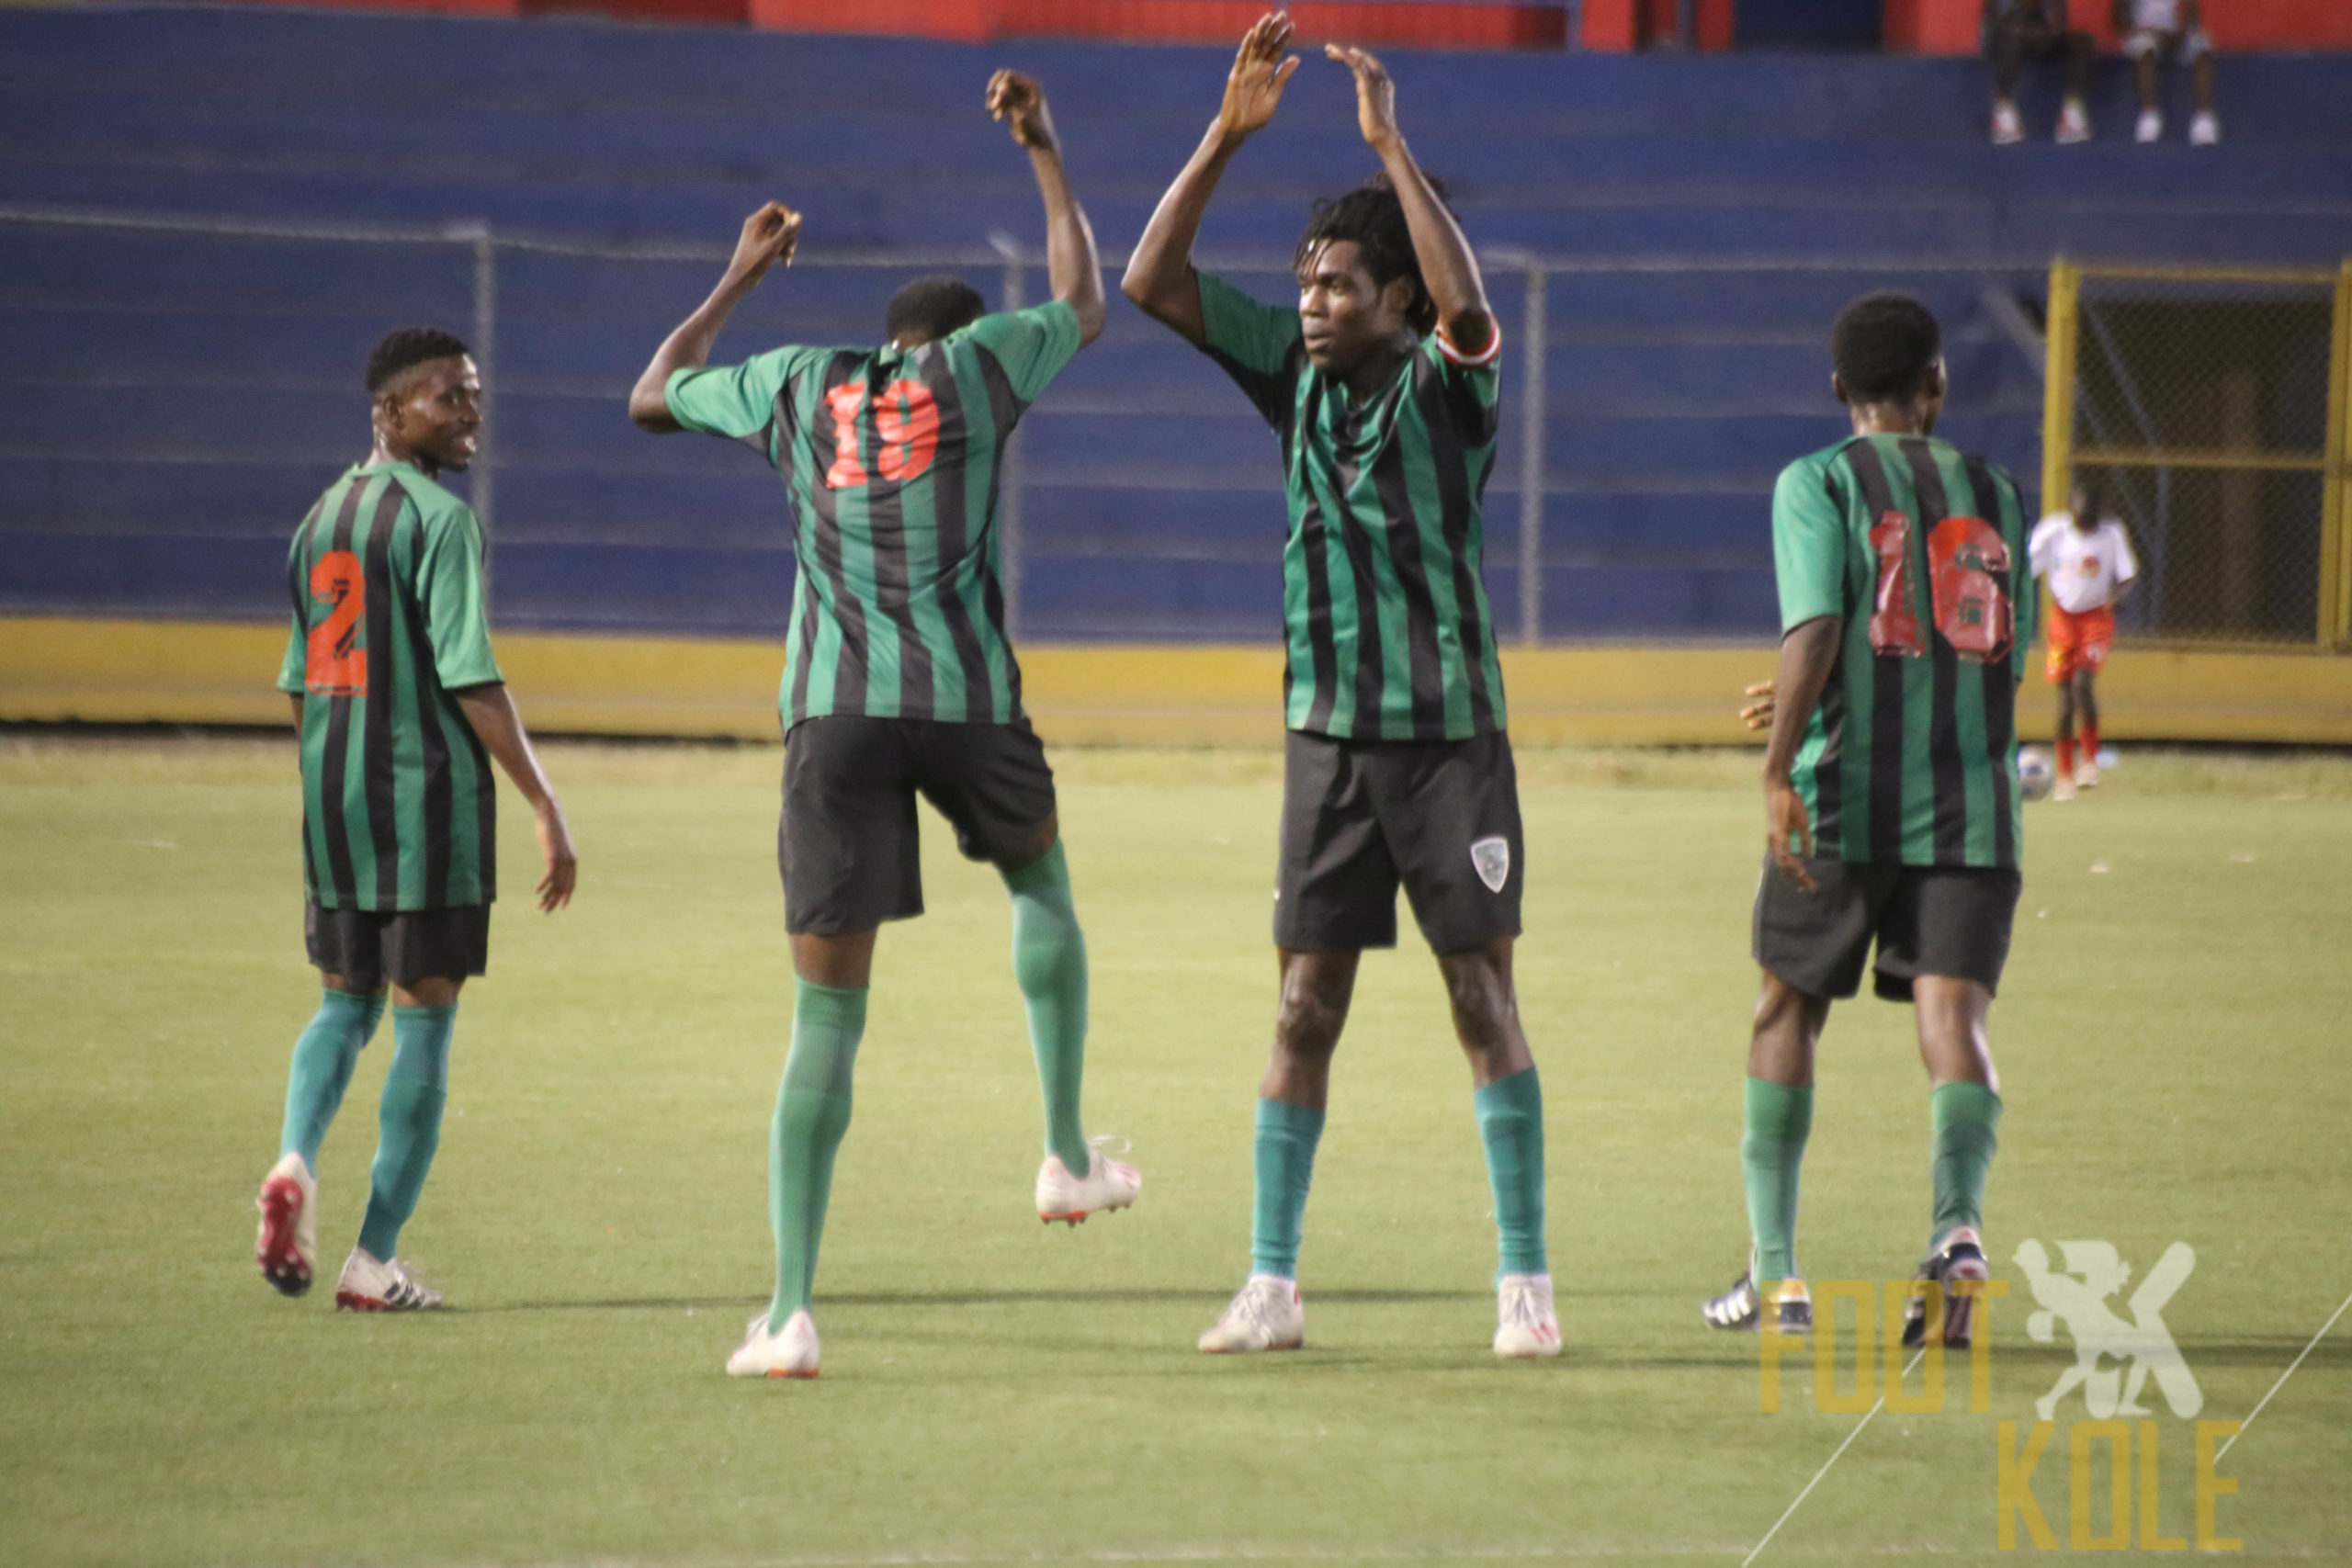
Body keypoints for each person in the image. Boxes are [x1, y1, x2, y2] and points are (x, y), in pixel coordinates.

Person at [629, 71, 1131, 1381]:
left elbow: (651, 393)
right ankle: (1068, 1152)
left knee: (828, 1022)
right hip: (967, 702)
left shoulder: (799, 381)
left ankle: (791, 1309)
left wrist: (738, 276)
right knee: (1043, 888)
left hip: (834, 714)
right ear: (966, 336)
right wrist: (1045, 147)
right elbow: (1082, 299)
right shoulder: (980, 366)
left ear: (879, 333)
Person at [1122, 13, 1555, 1360]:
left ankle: (1524, 1280)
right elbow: (1150, 280)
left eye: (1340, 286)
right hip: (1329, 748)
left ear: (1399, 305)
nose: (1312, 303)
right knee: (1304, 1004)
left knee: (1479, 998)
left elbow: (1471, 312)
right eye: (1304, 284)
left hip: (1447, 748)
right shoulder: (1291, 382)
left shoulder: (1446, 388)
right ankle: (1271, 1283)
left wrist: (1390, 148)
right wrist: (1225, 135)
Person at [1702, 292, 2033, 1350]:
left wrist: (1775, 764)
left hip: (1844, 795)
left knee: (1783, 1014)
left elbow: (1818, 627)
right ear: (1936, 384)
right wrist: (1809, 684)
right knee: (1955, 1026)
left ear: (1837, 389)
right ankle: (1957, 1233)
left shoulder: (1817, 481)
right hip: (1974, 807)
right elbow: (1961, 645)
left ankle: (1777, 1275)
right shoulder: (1999, 493)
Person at [255, 327, 579, 1313]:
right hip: (426, 810)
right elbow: (469, 674)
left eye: (474, 395)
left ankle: (295, 1162)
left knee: (341, 1007)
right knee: (424, 1028)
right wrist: (543, 800)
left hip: (333, 810)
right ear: (391, 414)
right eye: (447, 397)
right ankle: (371, 1262)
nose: (469, 412)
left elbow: (300, 685)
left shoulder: (318, 522)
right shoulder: (438, 521)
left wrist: (330, 780)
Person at [2030, 476, 2137, 798]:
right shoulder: (2054, 531)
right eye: (2079, 514)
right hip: (2061, 620)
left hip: (2095, 618)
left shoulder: (2111, 533)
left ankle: (2089, 759)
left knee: (2082, 684)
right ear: (2071, 510)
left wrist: (2117, 597)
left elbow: (2128, 575)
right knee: (2064, 700)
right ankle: (2064, 776)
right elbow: (2030, 564)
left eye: (2091, 516)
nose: (2085, 522)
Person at [1986, 0, 2093, 144]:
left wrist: (2052, 30)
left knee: (2082, 41)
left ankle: (2072, 110)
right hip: (2009, 37)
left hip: (2041, 35)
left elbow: (2060, 22)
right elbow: (1996, 27)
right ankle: (2003, 110)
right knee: (2011, 43)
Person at [2120, 0, 2217, 143]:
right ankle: (2149, 116)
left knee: (2203, 50)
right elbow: (2120, 16)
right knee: (2145, 51)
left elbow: (2192, 12)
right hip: (2143, 33)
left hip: (2175, 34)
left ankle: (2203, 118)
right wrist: (2146, 31)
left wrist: (2181, 33)